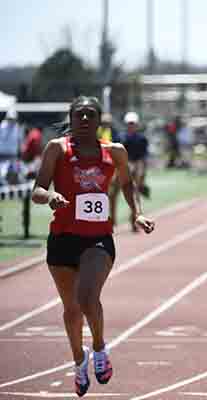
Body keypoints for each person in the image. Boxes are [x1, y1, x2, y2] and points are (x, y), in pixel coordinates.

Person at [31, 96, 155, 397]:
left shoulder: (115, 152)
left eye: (90, 114)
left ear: (100, 120)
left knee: (87, 297)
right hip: (62, 238)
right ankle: (78, 361)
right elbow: (38, 188)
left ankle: (99, 348)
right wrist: (51, 198)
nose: (84, 119)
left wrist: (136, 212)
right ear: (71, 119)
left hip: (98, 238)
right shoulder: (57, 149)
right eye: (78, 115)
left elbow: (127, 184)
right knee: (71, 310)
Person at [121, 111, 150, 231]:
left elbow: (143, 157)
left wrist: (142, 173)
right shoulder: (122, 138)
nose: (131, 126)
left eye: (133, 123)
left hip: (136, 165)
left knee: (135, 194)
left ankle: (134, 219)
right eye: (129, 123)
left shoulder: (142, 139)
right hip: (125, 166)